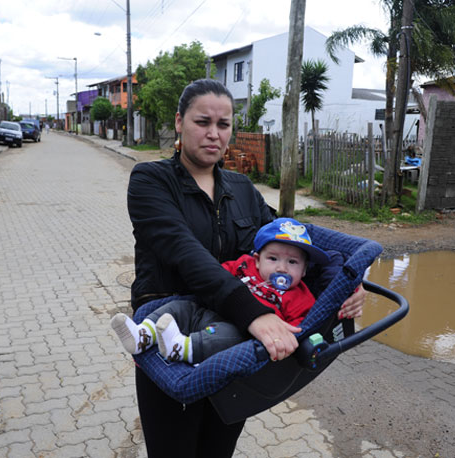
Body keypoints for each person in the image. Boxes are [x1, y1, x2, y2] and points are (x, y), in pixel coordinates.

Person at [126, 78, 366, 458]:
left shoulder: (242, 189)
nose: (214, 134)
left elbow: (289, 242)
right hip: (172, 337)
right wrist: (255, 314)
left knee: (219, 447)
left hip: (231, 339)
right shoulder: (150, 181)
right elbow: (187, 255)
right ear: (179, 122)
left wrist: (346, 282)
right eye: (202, 122)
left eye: (223, 124)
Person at [112, 217, 329, 364]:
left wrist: (286, 340)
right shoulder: (245, 265)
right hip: (208, 309)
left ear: (304, 270)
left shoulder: (300, 297)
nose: (282, 268)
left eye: (292, 262)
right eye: (273, 259)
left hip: (236, 328)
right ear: (257, 259)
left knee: (229, 337)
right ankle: (143, 334)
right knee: (178, 307)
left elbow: (298, 327)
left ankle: (181, 347)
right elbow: (217, 276)